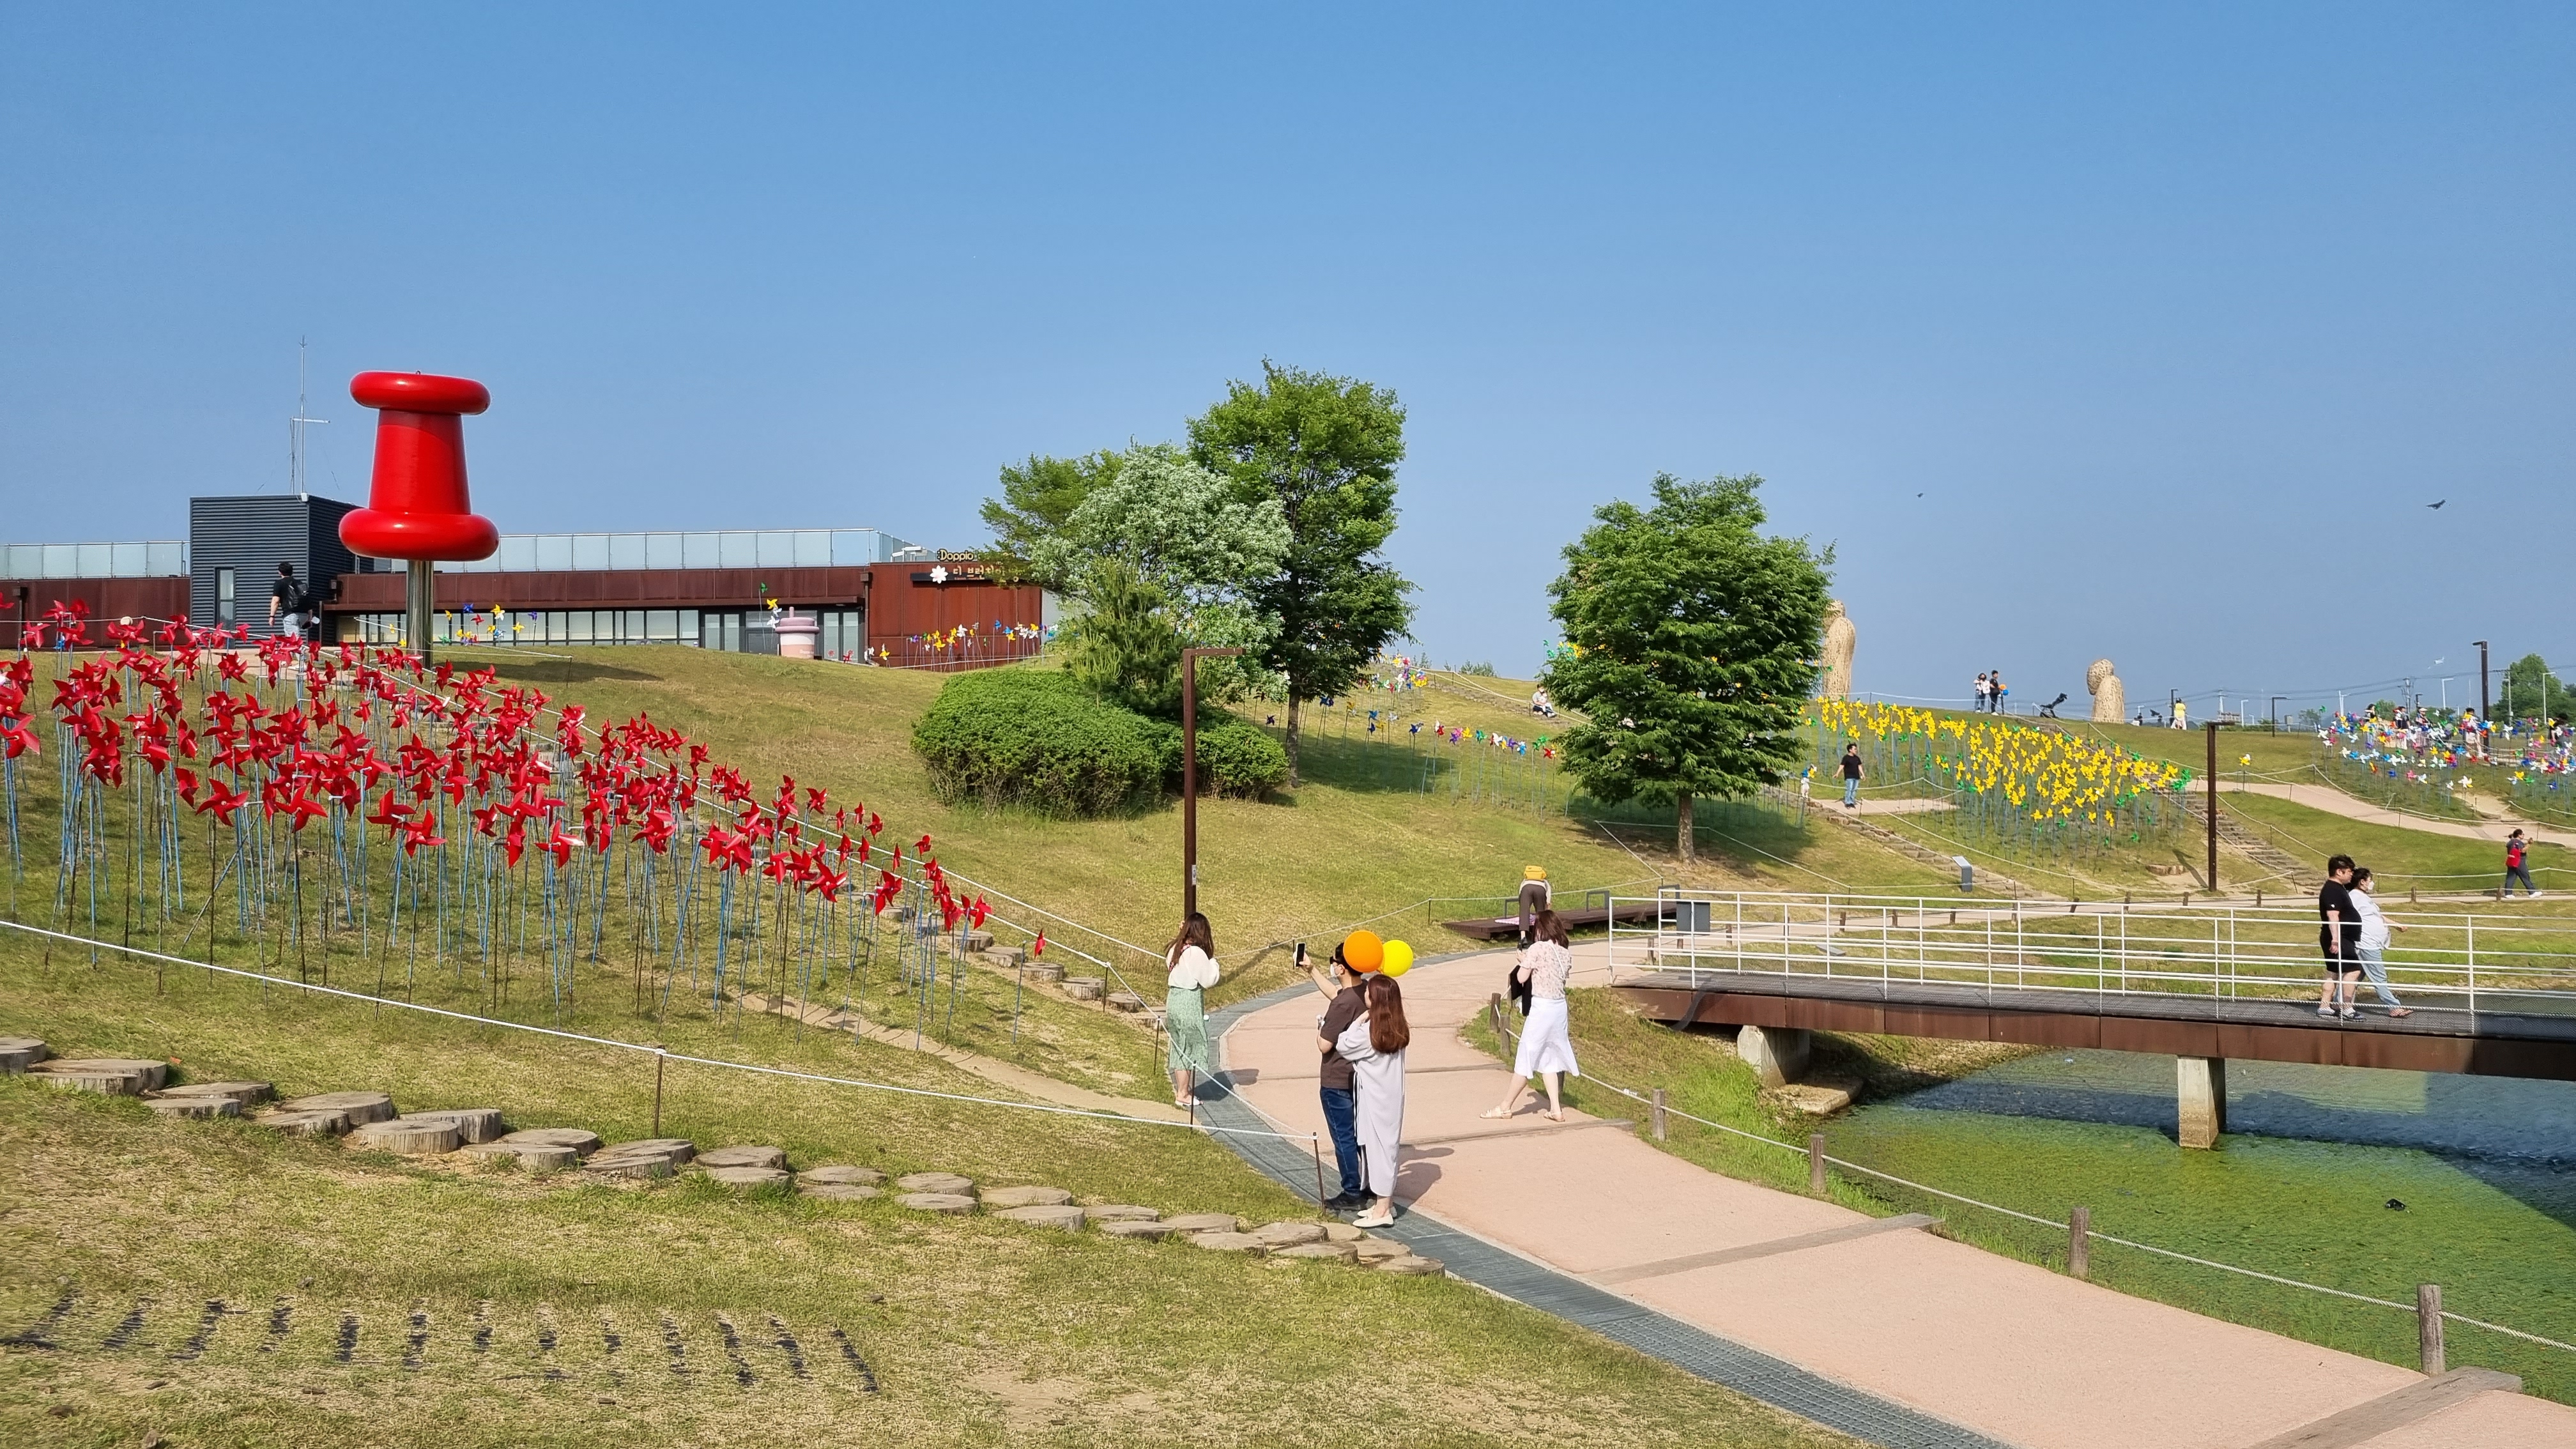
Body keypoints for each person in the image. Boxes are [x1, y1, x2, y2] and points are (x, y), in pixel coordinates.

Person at [1487, 908, 1579, 1122]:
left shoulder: (1537, 949)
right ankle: (1555, 1109)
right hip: (1559, 1008)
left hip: (1542, 1008)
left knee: (1526, 1054)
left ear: (1541, 929)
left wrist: (1523, 959)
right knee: (1549, 1057)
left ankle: (1505, 1107)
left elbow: (1521, 978)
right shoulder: (1565, 953)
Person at [1334, 972, 1411, 1229]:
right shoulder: (1397, 1027)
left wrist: (1360, 1018)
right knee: (1384, 1148)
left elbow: (1343, 1044)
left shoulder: (1370, 1031)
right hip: (1390, 1096)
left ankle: (1382, 1210)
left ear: (1374, 1001)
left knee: (1380, 1151)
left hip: (1375, 1098)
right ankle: (1384, 1203)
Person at [1300, 941, 1372, 1213]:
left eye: (1333, 962)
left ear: (1341, 968)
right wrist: (1312, 970)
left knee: (1344, 1137)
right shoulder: (1365, 992)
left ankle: (1352, 1190)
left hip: (1336, 1080)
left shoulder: (1342, 1004)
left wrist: (1320, 1026)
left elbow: (1324, 1045)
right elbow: (1337, 993)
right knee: (1361, 1134)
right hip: (1358, 1078)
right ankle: (1368, 1184)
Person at [1163, 912, 1220, 1108]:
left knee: (1180, 1044)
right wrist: (1213, 963)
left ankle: (1182, 1090)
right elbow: (1209, 979)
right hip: (1189, 1001)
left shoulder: (1176, 948)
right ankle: (1183, 1093)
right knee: (1190, 1045)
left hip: (1174, 999)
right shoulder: (1196, 953)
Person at [2348, 868, 2412, 1018]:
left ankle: (2339, 1002)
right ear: (2362, 882)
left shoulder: (2363, 898)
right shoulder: (2354, 897)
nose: (2372, 883)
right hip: (2366, 944)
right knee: (2379, 976)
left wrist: (2395, 924)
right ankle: (2394, 1007)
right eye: (2370, 880)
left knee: (2355, 975)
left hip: (2370, 943)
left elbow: (2377, 916)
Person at [2317, 854, 2363, 1019]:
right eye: (2349, 871)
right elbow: (2333, 916)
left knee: (2333, 972)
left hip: (2340, 938)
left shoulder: (2337, 888)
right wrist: (2335, 940)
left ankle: (2324, 1006)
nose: (2352, 874)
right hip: (2339, 939)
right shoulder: (2332, 890)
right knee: (2354, 970)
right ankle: (2347, 1007)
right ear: (2339, 872)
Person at [268, 562, 314, 643]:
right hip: (304, 615)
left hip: (291, 615)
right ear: (292, 572)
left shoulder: (279, 583)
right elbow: (308, 601)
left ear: (280, 572)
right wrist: (310, 618)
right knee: (293, 638)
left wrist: (272, 616)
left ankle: (301, 651)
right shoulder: (301, 584)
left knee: (294, 641)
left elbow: (276, 601)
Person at [1515, 866, 1551, 948]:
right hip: (1540, 890)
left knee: (1524, 912)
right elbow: (1548, 902)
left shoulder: (1525, 881)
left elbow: (1520, 893)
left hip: (1526, 889)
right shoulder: (1545, 882)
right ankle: (1539, 936)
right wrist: (1547, 913)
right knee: (1541, 913)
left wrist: (1523, 905)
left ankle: (1523, 937)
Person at [2504, 829, 2542, 898]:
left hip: (2511, 861)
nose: (2523, 835)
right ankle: (2532, 892)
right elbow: (2523, 851)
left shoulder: (2510, 842)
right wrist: (2529, 844)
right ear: (2519, 835)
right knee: (2525, 876)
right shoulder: (2518, 842)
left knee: (2511, 877)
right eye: (2523, 834)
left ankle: (2508, 893)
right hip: (2519, 861)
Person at [1840, 741, 1864, 809]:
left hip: (1856, 777)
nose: (1856, 750)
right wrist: (1837, 773)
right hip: (1849, 777)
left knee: (1854, 790)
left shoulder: (1857, 758)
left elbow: (1859, 766)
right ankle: (1847, 802)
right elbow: (1842, 766)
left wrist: (1863, 774)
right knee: (1849, 789)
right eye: (1855, 749)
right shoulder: (1846, 758)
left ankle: (1852, 802)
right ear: (1850, 750)